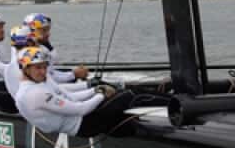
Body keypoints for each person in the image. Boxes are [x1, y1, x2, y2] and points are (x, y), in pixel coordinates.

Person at [14, 46, 162, 138]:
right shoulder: (35, 94)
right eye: (38, 68)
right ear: (25, 69)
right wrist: (101, 94)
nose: (43, 71)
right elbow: (80, 109)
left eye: (44, 67)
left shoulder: (37, 84)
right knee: (129, 96)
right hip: (85, 123)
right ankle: (171, 105)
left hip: (84, 120)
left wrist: (94, 90)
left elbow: (70, 97)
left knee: (125, 106)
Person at [4, 25, 90, 100]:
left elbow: (54, 86)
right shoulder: (28, 65)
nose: (38, 45)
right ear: (29, 43)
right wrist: (86, 85)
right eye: (35, 42)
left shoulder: (20, 62)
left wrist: (86, 84)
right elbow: (55, 89)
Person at [23, 13, 89, 81]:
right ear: (31, 31)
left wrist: (73, 74)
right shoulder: (28, 54)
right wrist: (74, 75)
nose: (48, 34)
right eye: (44, 30)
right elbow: (46, 79)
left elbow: (50, 72)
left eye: (48, 30)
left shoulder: (40, 47)